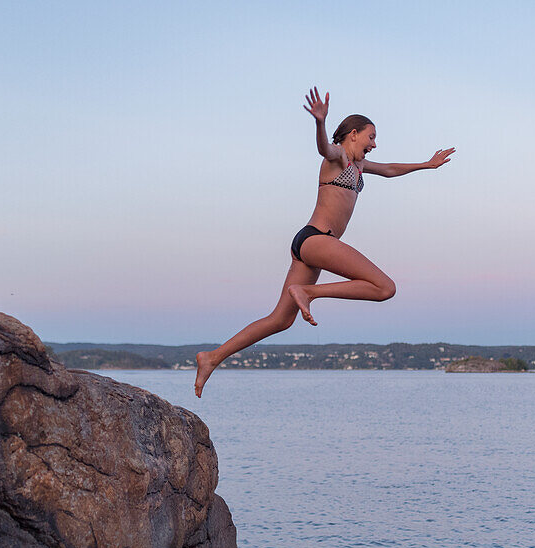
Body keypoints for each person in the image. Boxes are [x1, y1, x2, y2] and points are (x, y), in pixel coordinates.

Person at [194, 87, 454, 397]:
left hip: (308, 245)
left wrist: (426, 165)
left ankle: (212, 357)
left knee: (280, 320)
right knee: (385, 287)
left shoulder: (359, 166)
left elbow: (389, 169)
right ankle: (308, 292)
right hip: (316, 239)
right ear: (353, 134)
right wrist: (320, 122)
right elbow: (324, 149)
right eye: (371, 137)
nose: (375, 143)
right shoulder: (338, 156)